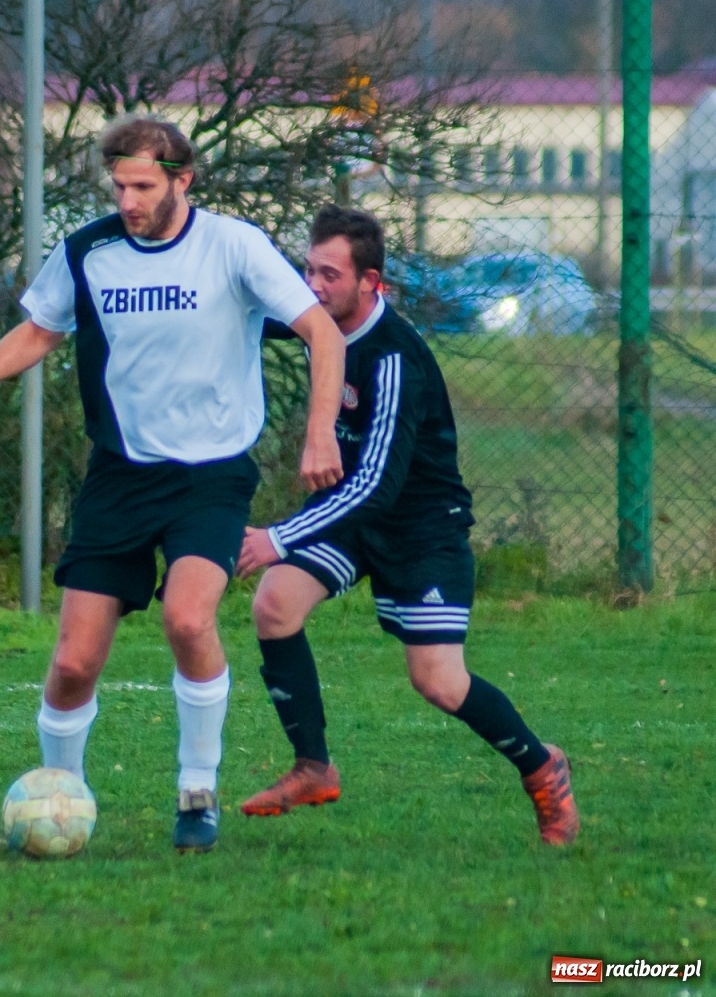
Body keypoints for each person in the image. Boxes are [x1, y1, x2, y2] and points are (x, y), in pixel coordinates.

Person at [0, 117, 346, 853]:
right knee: (71, 664)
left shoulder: (233, 246)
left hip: (211, 477)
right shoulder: (88, 251)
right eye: (119, 185)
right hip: (119, 477)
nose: (127, 199)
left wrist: (319, 433)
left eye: (143, 186)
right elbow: (41, 328)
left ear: (182, 180)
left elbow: (322, 330)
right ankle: (62, 797)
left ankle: (198, 789)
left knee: (189, 620)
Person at [236, 204, 578, 845]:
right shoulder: (320, 324)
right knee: (275, 604)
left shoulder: (394, 359)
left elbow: (377, 484)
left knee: (438, 682)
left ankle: (543, 768)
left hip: (420, 525)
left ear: (373, 284)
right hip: (356, 517)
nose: (313, 286)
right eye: (309, 270)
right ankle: (314, 766)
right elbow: (248, 314)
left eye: (330, 276)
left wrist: (278, 536)